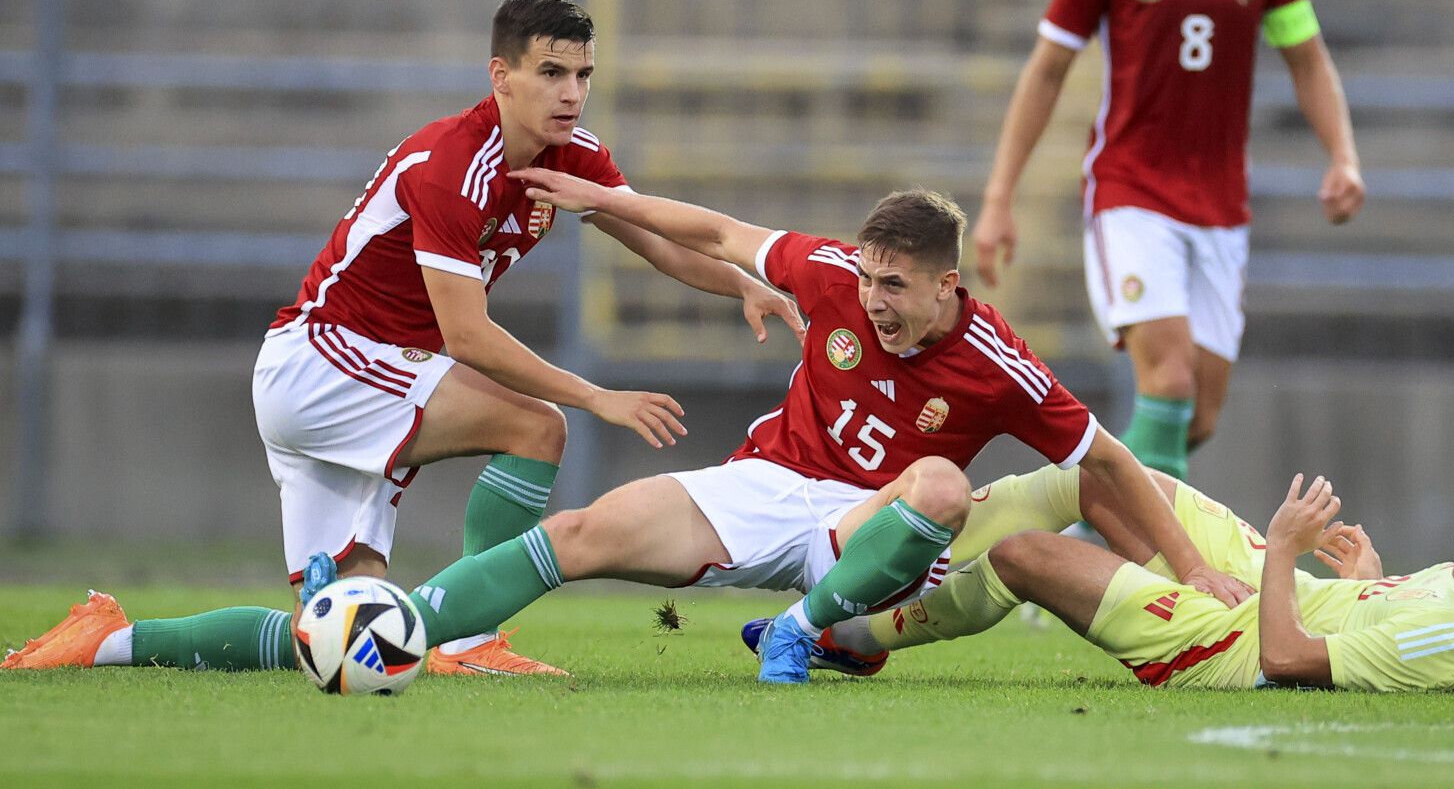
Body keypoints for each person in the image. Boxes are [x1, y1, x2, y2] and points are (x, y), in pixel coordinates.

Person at [3, 0, 804, 677]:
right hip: (323, 362)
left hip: (359, 372)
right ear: (502, 74)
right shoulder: (452, 165)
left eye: (583, 74)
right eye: (551, 72)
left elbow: (653, 237)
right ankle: (478, 639)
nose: (571, 93)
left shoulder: (575, 158)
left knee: (355, 636)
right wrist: (597, 396)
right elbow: (465, 335)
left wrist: (742, 284)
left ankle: (107, 641)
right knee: (538, 426)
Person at [271, 180, 1258, 685]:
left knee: (944, 492)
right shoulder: (829, 273)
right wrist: (605, 201)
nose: (873, 301)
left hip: (877, 528)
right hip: (767, 482)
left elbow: (1109, 462)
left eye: (898, 288)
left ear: (948, 286)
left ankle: (803, 631)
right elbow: (714, 232)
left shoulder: (1000, 365)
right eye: (868, 279)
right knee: (579, 536)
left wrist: (1187, 564)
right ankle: (389, 632)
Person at [972, 0, 1365, 481]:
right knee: (1171, 380)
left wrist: (1343, 155)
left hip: (1221, 206)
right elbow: (1046, 72)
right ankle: (1150, 582)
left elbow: (1307, 59)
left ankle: (1065, 546)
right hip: (1131, 191)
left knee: (1198, 418)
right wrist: (1000, 197)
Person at [793, 461, 1454, 693]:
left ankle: (849, 634)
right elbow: (1392, 626)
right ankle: (906, 540)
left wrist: (1282, 552)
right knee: (1109, 474)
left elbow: (1286, 662)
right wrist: (1369, 579)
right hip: (1286, 594)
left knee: (1022, 560)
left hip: (1231, 647)